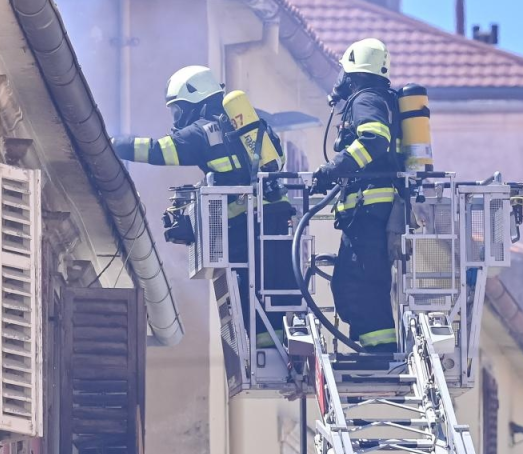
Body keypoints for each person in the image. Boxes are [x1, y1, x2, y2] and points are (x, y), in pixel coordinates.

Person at [111, 66, 294, 348]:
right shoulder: (252, 122)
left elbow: (158, 150)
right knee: (275, 289)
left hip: (244, 228)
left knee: (248, 293)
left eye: (177, 110)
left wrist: (113, 144)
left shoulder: (202, 131)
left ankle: (266, 352)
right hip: (275, 221)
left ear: (193, 100)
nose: (177, 118)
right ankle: (281, 349)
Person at [311, 38, 401, 352]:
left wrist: (335, 167)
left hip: (369, 210)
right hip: (367, 210)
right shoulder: (378, 97)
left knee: (359, 284)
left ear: (351, 73)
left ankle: (379, 352)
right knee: (355, 283)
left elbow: (375, 140)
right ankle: (374, 347)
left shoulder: (365, 99)